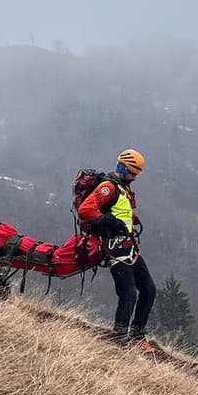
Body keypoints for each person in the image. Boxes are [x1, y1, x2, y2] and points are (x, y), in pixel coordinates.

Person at [77, 148, 155, 348]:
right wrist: (109, 221)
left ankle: (138, 336)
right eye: (133, 173)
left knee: (149, 289)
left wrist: (129, 219)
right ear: (124, 169)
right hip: (114, 247)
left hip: (129, 246)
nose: (135, 178)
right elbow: (86, 209)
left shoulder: (123, 188)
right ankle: (119, 340)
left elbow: (118, 209)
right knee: (128, 294)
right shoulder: (108, 187)